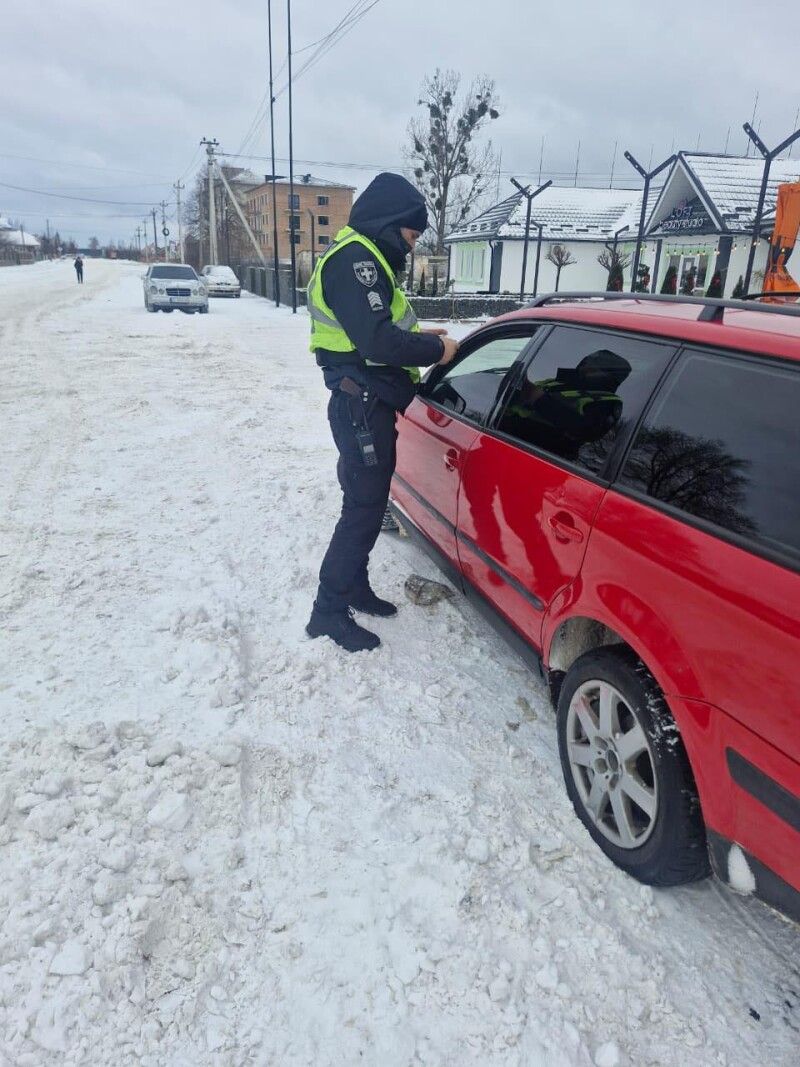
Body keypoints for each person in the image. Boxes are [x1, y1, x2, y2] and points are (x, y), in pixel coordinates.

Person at [305, 172, 459, 652]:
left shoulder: (361, 257)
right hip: (360, 407)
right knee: (362, 511)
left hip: (364, 404)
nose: (411, 248)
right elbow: (376, 340)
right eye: (410, 237)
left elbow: (374, 331)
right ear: (391, 225)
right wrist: (436, 351)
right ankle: (327, 611)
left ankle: (354, 587)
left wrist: (421, 339)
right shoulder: (356, 261)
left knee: (367, 507)